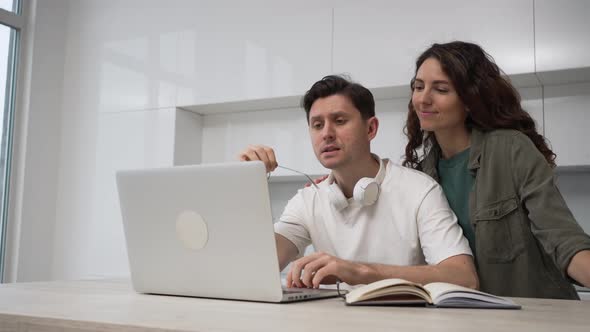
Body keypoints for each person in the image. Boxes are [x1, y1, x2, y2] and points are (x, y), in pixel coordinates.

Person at [239, 75, 478, 289]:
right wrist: (246, 187)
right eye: (317, 125)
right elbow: (258, 265)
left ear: (371, 128)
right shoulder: (308, 199)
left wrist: (359, 272)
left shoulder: (419, 190)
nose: (327, 133)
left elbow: (463, 277)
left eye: (340, 121)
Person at [403, 41, 590, 299]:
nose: (423, 99)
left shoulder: (511, 148)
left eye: (441, 89)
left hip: (538, 315)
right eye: (418, 86)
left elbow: (563, 238)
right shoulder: (422, 175)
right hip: (467, 317)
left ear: (469, 99)